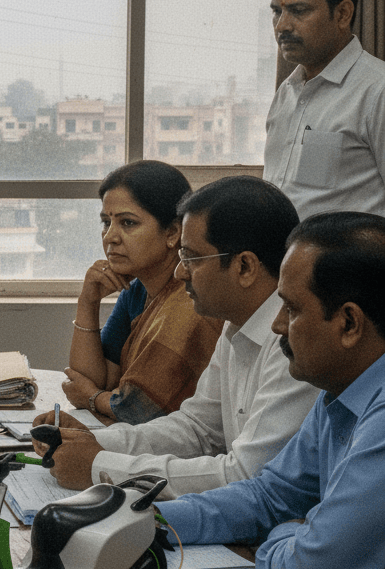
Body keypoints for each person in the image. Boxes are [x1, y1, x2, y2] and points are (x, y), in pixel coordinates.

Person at [159, 212, 385, 569]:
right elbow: (269, 496)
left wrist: (280, 535)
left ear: (349, 323)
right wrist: (150, 521)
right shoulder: (339, 391)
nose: (278, 326)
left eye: (293, 309)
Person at [32, 177, 318, 496]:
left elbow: (246, 474)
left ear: (245, 267)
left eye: (192, 258)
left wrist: (100, 466)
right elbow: (196, 429)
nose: (180, 272)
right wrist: (94, 440)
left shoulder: (297, 341)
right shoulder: (235, 322)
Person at [65, 160, 222, 424]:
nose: (110, 237)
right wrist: (87, 302)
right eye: (106, 222)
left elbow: (139, 410)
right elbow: (91, 379)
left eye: (127, 223)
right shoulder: (137, 290)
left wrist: (93, 398)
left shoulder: (191, 299)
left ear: (173, 232)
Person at [263, 0, 385, 219]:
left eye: (298, 10)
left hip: (353, 262)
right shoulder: (286, 93)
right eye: (276, 12)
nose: (282, 26)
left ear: (342, 14)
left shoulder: (378, 91)